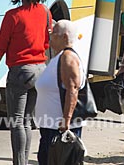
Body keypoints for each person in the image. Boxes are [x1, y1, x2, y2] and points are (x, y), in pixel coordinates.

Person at [0, 0, 51, 165]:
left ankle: (20, 163)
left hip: (20, 71)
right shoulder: (46, 13)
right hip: (40, 70)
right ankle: (23, 161)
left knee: (16, 121)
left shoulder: (13, 16)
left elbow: (0, 45)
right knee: (27, 121)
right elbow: (47, 42)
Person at [34, 20, 85, 165]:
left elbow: (73, 89)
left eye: (54, 33)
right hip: (51, 126)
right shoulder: (60, 56)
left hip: (59, 127)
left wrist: (66, 120)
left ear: (65, 37)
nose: (50, 36)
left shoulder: (68, 58)